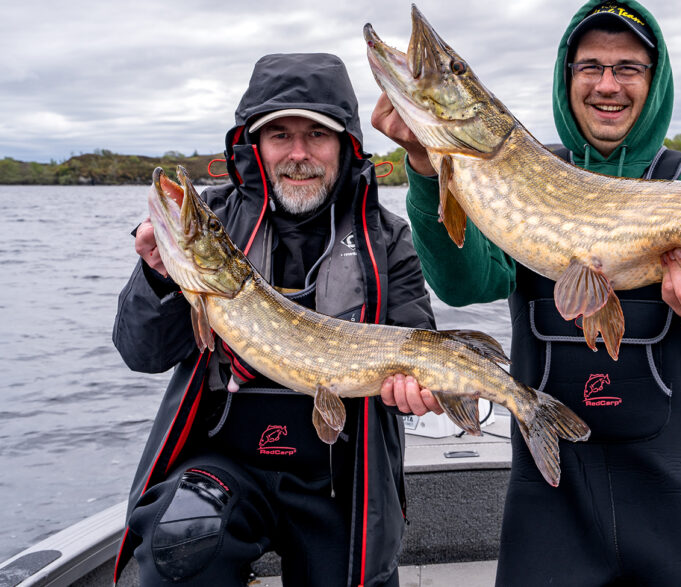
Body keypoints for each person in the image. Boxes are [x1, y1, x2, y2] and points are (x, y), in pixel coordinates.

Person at [372, 0, 681, 585]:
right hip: (553, 495)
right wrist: (427, 171)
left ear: (653, 82)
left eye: (627, 68)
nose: (608, 85)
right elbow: (462, 282)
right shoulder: (520, 173)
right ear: (568, 78)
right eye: (591, 68)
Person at [112, 53, 442, 587]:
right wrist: (157, 276)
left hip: (340, 471)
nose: (298, 154)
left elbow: (414, 345)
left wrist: (418, 390)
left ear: (345, 144)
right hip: (224, 463)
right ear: (254, 146)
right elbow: (141, 353)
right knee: (183, 538)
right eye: (279, 136)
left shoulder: (388, 238)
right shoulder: (216, 226)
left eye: (316, 134)